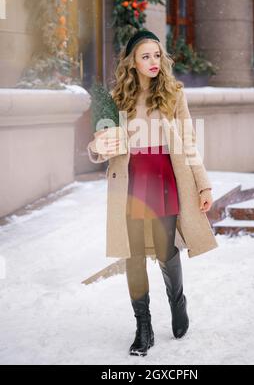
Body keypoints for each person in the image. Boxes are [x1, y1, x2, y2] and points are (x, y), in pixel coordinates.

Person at [87, 29, 215, 357]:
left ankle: (177, 301)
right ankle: (143, 326)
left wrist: (203, 184)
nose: (153, 61)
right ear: (132, 62)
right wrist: (96, 147)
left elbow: (188, 143)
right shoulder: (118, 97)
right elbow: (104, 144)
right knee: (133, 255)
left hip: (165, 179)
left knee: (164, 249)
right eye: (146, 56)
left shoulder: (174, 93)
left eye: (157, 55)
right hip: (129, 182)